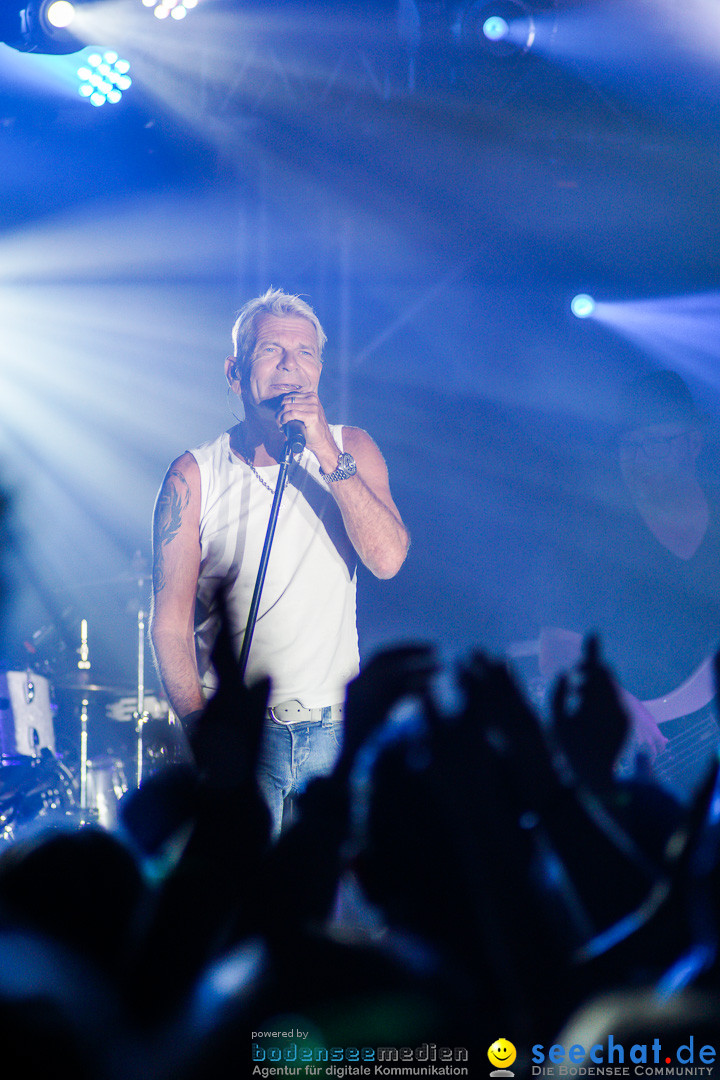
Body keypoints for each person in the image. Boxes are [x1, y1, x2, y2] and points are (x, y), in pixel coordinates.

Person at [149, 288, 409, 834]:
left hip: (335, 729)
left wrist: (325, 453)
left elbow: (387, 559)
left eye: (306, 354)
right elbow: (171, 622)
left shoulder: (350, 449)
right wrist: (201, 726)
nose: (292, 368)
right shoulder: (194, 475)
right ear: (235, 371)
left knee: (329, 908)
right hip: (242, 732)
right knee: (241, 901)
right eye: (271, 351)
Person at [532, 369, 720, 799]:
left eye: (651, 445)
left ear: (692, 444)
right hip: (629, 751)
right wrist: (616, 701)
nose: (635, 460)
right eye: (627, 447)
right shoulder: (593, 533)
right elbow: (556, 650)